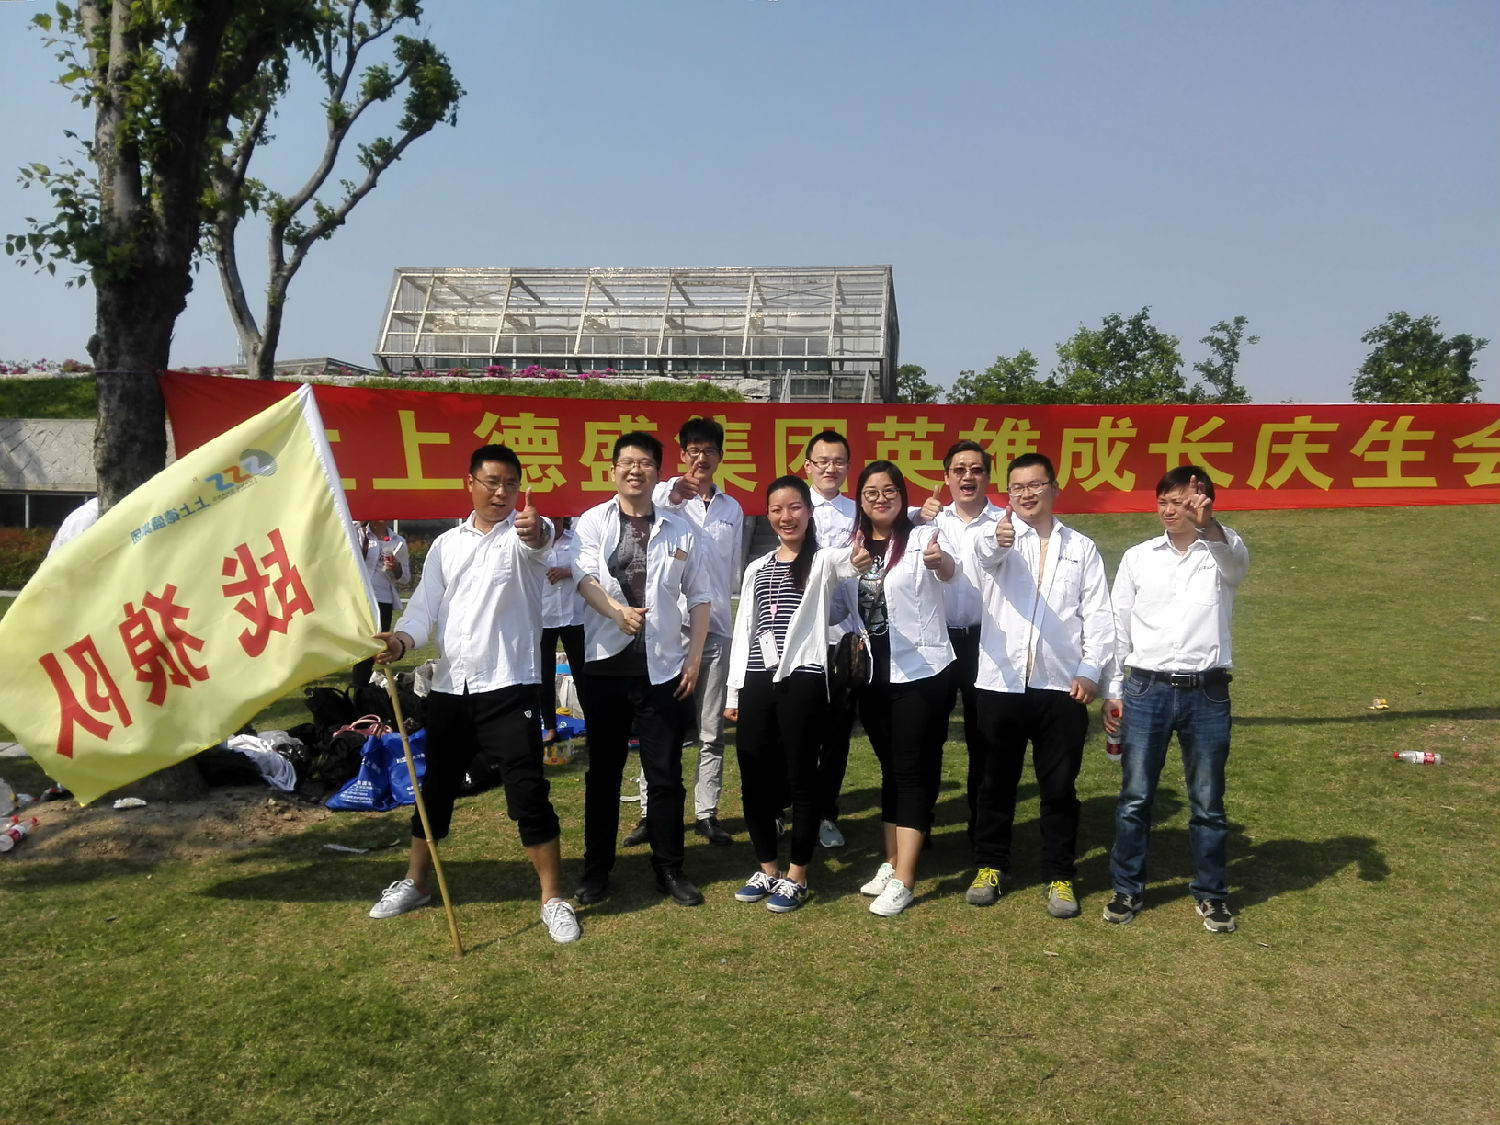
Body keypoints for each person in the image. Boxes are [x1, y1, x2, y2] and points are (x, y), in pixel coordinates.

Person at [367, 444, 580, 945]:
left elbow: (540, 542)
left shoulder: (522, 540)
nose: (501, 492)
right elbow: (424, 608)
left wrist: (537, 530)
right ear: (470, 483)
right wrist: (401, 641)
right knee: (435, 790)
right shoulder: (446, 545)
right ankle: (417, 883)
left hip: (510, 687)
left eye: (510, 484)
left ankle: (552, 899)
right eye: (491, 482)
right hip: (450, 689)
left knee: (527, 792)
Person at [1101, 466, 1250, 933]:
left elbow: (1235, 565)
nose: (1169, 510)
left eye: (1180, 502)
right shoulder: (1139, 557)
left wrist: (1209, 526)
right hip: (1146, 688)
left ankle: (1212, 894)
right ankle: (1127, 888)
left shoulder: (1223, 551)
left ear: (1202, 503)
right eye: (1163, 501)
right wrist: (1113, 690)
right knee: (1135, 797)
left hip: (1207, 691)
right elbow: (1118, 625)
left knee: (1208, 802)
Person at [967, 453, 1114, 917]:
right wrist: (998, 540)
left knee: (1059, 787)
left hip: (1061, 687)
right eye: (1017, 487)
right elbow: (984, 556)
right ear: (1007, 494)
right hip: (1001, 682)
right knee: (995, 782)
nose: (1026, 494)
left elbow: (1099, 615)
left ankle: (1060, 874)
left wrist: (1091, 670)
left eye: (1035, 485)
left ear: (1054, 488)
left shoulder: (1081, 547)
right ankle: (991, 865)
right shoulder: (996, 536)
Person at [572, 431, 712, 908]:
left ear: (657, 472)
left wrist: (693, 658)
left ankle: (669, 868)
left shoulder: (680, 528)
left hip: (664, 668)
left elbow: (700, 596)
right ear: (612, 469)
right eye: (627, 462)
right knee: (603, 773)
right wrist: (616, 612)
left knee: (665, 774)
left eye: (646, 463)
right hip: (605, 665)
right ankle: (596, 870)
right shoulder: (592, 521)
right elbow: (584, 578)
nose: (636, 470)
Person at [723, 476, 872, 912]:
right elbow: (744, 631)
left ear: (808, 511)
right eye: (776, 509)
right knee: (753, 772)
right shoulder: (757, 567)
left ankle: (797, 876)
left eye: (794, 507)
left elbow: (852, 562)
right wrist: (733, 692)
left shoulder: (822, 560)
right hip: (756, 678)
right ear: (768, 515)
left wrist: (860, 555)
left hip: (803, 677)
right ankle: (767, 868)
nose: (785, 517)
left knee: (801, 775)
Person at [621, 417, 744, 847]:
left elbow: (731, 569)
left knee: (711, 730)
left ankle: (707, 813)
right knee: (661, 727)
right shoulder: (662, 496)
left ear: (720, 457)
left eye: (709, 450)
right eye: (693, 450)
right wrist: (674, 493)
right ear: (681, 455)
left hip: (717, 626)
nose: (700, 458)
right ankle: (649, 811)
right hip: (670, 631)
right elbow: (655, 506)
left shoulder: (732, 509)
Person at [850, 461, 957, 917]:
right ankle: (891, 862)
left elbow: (947, 569)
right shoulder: (852, 546)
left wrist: (940, 562)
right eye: (871, 492)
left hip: (920, 672)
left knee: (910, 772)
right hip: (873, 676)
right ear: (860, 500)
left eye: (889, 490)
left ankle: (906, 879)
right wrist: (843, 572)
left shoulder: (922, 537)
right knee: (890, 770)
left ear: (902, 495)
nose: (880, 498)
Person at [914, 441, 1005, 839]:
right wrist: (917, 516)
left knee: (984, 737)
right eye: (959, 470)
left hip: (987, 643)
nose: (968, 477)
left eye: (976, 470)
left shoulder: (1005, 523)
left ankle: (980, 826)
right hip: (937, 641)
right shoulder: (929, 519)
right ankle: (920, 823)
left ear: (988, 476)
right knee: (927, 734)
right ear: (946, 476)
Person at [802, 430, 859, 849]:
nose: (829, 468)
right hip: (798, 637)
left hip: (843, 638)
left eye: (838, 461)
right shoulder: (793, 506)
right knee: (793, 730)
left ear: (848, 467)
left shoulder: (858, 512)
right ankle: (785, 807)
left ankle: (824, 813)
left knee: (836, 736)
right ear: (808, 466)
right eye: (822, 461)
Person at [539, 516, 586, 744]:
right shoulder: (532, 544)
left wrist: (568, 571)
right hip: (543, 616)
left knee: (583, 672)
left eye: (557, 518)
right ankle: (550, 727)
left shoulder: (576, 540)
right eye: (549, 518)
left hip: (573, 615)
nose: (553, 523)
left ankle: (594, 722)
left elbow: (590, 567)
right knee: (544, 674)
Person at [351, 519, 410, 691]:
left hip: (383, 600)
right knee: (361, 646)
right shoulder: (358, 534)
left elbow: (405, 578)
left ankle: (361, 689)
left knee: (375, 645)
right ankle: (359, 688)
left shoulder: (397, 541)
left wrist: (396, 568)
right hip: (361, 598)